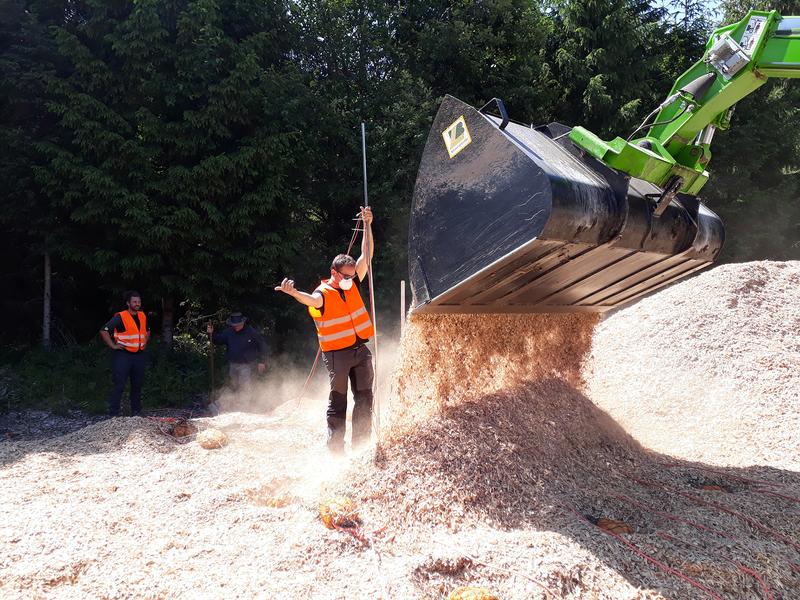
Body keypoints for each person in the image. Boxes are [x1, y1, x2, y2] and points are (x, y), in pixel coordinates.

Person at [275, 206, 375, 453]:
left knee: (365, 399)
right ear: (334, 272)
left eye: (353, 276)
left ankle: (361, 445)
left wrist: (368, 225)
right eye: (346, 276)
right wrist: (294, 293)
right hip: (337, 355)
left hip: (360, 351)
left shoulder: (351, 283)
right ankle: (335, 450)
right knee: (338, 403)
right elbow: (309, 300)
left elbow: (366, 254)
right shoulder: (323, 294)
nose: (351, 280)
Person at [99, 290, 150, 417]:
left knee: (137, 385)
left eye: (139, 302)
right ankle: (113, 414)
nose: (137, 304)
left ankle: (136, 413)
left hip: (139, 355)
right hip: (123, 355)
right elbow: (104, 331)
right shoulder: (121, 317)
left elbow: (147, 331)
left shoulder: (142, 316)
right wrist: (113, 345)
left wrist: (144, 342)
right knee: (119, 385)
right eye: (134, 302)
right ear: (128, 303)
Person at [206, 312, 268, 390]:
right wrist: (211, 334)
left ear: (242, 323)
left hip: (247, 365)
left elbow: (262, 345)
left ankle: (245, 401)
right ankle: (236, 400)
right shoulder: (228, 332)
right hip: (233, 364)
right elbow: (218, 340)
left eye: (238, 324)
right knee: (234, 385)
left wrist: (262, 361)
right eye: (234, 325)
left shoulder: (251, 332)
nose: (236, 326)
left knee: (245, 386)